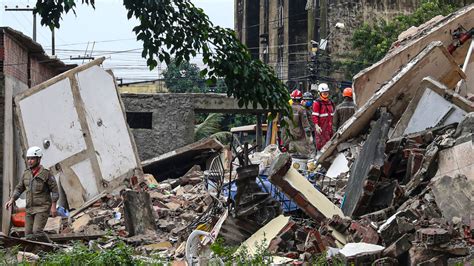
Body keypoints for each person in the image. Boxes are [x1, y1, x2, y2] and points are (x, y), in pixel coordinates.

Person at [5, 146, 59, 239]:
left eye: (32, 159)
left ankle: (52, 248)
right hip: (30, 208)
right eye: (28, 159)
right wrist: (12, 199)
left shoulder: (46, 174)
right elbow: (19, 188)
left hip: (42, 208)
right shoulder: (26, 173)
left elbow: (55, 191)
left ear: (39, 159)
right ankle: (35, 251)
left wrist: (53, 207)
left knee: (37, 231)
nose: (29, 161)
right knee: (29, 235)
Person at [282, 89, 313, 156]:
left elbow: (284, 126)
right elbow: (306, 126)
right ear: (300, 99)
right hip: (300, 140)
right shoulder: (301, 109)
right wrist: (310, 138)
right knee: (306, 158)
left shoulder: (287, 109)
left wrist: (284, 140)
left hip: (289, 139)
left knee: (291, 159)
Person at [312, 83, 335, 150]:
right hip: (321, 129)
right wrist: (316, 125)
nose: (325, 95)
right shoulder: (317, 103)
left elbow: (333, 115)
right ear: (319, 93)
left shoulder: (331, 103)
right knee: (321, 145)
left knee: (330, 145)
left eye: (326, 93)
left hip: (330, 129)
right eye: (323, 93)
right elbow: (315, 115)